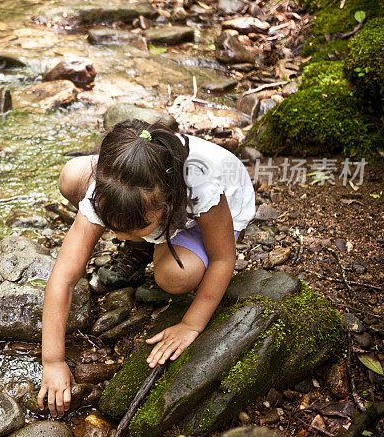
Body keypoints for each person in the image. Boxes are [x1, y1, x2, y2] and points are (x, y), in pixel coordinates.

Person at [37, 119, 255, 417]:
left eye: (133, 229)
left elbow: (223, 259)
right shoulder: (108, 189)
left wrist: (191, 325)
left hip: (215, 207)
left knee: (174, 276)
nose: (118, 237)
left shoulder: (202, 187)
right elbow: (63, 278)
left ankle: (154, 246)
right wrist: (52, 361)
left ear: (165, 208)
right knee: (71, 175)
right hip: (140, 192)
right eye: (113, 228)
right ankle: (144, 246)